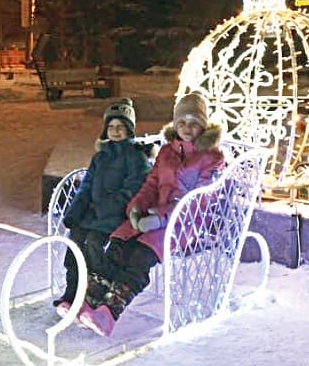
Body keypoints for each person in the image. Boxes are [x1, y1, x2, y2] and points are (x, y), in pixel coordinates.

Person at [77, 91, 225, 337]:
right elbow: (151, 184)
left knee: (139, 256)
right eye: (182, 122)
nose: (187, 128)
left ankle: (109, 313)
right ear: (175, 124)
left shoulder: (212, 158)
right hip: (151, 217)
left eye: (194, 123)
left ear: (203, 126)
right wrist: (135, 207)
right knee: (116, 242)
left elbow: (199, 202)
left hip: (184, 223)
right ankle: (90, 302)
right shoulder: (166, 152)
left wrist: (159, 217)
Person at [54, 98, 151, 316]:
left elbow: (134, 188)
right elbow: (86, 186)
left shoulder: (136, 156)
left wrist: (106, 206)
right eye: (111, 126)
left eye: (121, 127)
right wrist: (75, 212)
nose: (116, 131)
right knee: (75, 242)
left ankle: (93, 295)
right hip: (92, 214)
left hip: (116, 215)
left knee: (94, 245)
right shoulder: (100, 157)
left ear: (129, 130)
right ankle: (72, 293)